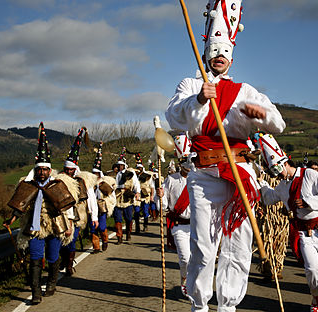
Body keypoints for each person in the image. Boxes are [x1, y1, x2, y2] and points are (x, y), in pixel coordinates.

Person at [166, 2, 286, 311]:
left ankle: (228, 305)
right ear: (206, 52)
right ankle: (200, 304)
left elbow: (277, 122)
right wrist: (198, 99)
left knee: (239, 243)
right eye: (215, 51)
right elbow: (175, 117)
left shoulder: (244, 90)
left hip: (239, 172)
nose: (220, 56)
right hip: (204, 175)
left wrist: (260, 114)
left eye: (225, 53)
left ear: (231, 57)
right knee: (204, 245)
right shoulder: (191, 84)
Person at [257, 133, 318, 312]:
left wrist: (309, 201)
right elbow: (269, 197)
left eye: (278, 170)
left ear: (285, 163)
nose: (277, 175)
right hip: (304, 232)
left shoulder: (309, 174)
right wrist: (259, 183)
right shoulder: (283, 185)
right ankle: (316, 297)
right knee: (312, 269)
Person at [3, 122, 78, 304]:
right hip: (35, 228)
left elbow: (67, 206)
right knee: (35, 259)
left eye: (45, 169)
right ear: (36, 170)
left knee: (53, 257)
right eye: (40, 169)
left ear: (50, 170)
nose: (42, 172)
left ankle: (51, 283)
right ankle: (36, 292)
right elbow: (21, 206)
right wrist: (11, 219)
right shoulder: (28, 186)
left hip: (53, 227)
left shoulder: (58, 186)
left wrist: (68, 225)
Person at [155, 133, 192, 297]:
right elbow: (162, 206)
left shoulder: (200, 179)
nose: (188, 165)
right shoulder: (170, 179)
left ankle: (195, 284)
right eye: (185, 162)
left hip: (198, 226)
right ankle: (184, 279)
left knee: (199, 261)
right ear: (180, 162)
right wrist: (160, 196)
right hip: (179, 226)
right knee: (185, 259)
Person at [59, 127, 99, 276]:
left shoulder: (83, 181)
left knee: (71, 240)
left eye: (71, 170)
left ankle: (69, 265)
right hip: (62, 216)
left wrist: (94, 217)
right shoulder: (60, 180)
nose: (69, 172)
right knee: (62, 240)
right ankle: (64, 261)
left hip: (77, 216)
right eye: (67, 169)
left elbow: (91, 199)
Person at [91, 142, 116, 253]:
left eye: (97, 174)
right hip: (92, 208)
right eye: (94, 174)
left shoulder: (105, 184)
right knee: (92, 228)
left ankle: (105, 240)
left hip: (102, 208)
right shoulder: (89, 184)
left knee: (101, 226)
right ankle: (96, 246)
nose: (95, 176)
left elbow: (111, 196)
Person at [114, 147, 140, 243]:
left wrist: (137, 192)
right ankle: (119, 237)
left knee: (128, 218)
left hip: (127, 198)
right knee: (117, 218)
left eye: (121, 165)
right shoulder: (116, 174)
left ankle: (128, 232)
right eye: (118, 165)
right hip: (118, 198)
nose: (120, 167)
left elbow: (136, 183)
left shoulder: (131, 173)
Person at [134, 163, 153, 233]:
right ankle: (137, 227)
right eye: (138, 168)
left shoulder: (148, 177)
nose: (139, 169)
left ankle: (145, 225)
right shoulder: (134, 176)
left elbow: (151, 186)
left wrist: (151, 196)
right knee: (136, 211)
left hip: (145, 196)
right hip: (137, 196)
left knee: (145, 211)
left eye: (140, 168)